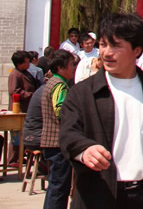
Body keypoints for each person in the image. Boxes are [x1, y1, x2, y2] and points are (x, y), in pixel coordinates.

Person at [59, 13, 143, 209]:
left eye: (116, 46)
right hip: (97, 194)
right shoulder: (82, 93)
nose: (106, 53)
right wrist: (83, 150)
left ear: (137, 51)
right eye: (103, 44)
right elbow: (68, 133)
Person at [40, 49, 77, 209]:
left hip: (51, 143)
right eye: (71, 65)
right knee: (59, 188)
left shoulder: (52, 82)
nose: (73, 68)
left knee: (55, 186)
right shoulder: (59, 85)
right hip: (57, 144)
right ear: (61, 67)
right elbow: (61, 111)